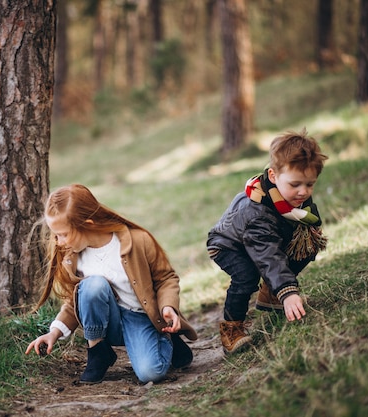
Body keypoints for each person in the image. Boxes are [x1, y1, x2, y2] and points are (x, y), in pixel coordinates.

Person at [26, 184, 197, 384]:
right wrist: (53, 333)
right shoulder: (73, 257)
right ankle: (98, 351)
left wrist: (168, 307)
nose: (58, 242)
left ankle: (167, 341)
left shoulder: (137, 241)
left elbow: (166, 278)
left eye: (63, 234)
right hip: (109, 321)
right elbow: (75, 301)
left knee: (151, 373)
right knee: (92, 286)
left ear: (88, 224)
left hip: (141, 317)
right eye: (56, 235)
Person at [206, 129, 328, 354]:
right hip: (228, 244)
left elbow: (301, 232)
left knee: (307, 243)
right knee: (247, 276)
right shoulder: (257, 211)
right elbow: (267, 255)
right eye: (295, 184)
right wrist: (288, 290)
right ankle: (231, 330)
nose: (303, 192)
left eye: (310, 184)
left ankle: (271, 295)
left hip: (261, 241)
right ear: (273, 176)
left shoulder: (294, 200)